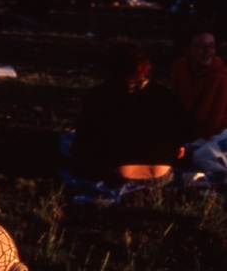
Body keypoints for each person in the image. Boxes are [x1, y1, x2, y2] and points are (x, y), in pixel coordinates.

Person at [70, 43, 190, 182]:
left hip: (119, 174)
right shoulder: (165, 95)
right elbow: (181, 135)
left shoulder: (99, 95)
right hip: (161, 174)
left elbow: (84, 139)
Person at [170, 28, 227, 140]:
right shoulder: (180, 66)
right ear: (186, 49)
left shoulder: (219, 76)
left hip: (210, 138)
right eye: (201, 46)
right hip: (181, 128)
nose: (208, 52)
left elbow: (210, 123)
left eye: (212, 46)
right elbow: (173, 100)